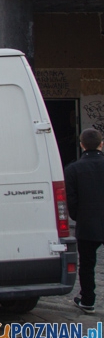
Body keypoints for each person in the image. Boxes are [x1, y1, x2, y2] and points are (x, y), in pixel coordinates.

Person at [65, 128, 104, 315]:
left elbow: (70, 200)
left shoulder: (73, 169)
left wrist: (78, 216)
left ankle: (87, 299)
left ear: (81, 145)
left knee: (87, 265)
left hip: (87, 224)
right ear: (101, 144)